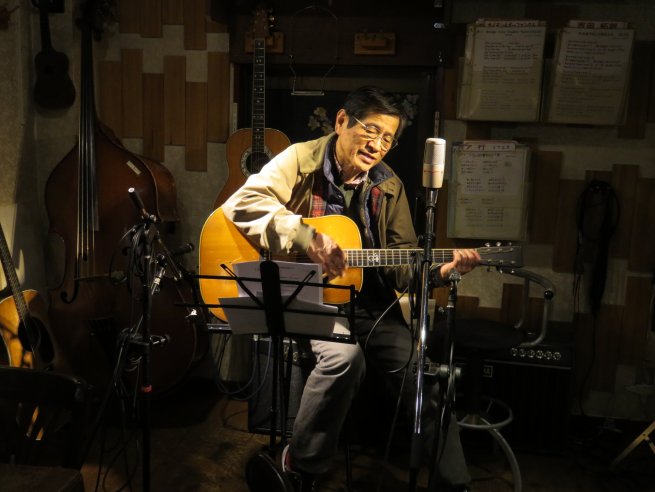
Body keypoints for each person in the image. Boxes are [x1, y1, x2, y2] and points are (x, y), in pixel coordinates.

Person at [222, 86, 480, 491]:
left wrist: (439, 272)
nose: (377, 145)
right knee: (344, 359)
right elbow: (243, 203)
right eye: (371, 130)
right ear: (342, 121)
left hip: (371, 306)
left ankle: (454, 484)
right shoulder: (299, 160)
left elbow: (402, 265)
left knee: (422, 378)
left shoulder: (388, 185)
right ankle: (302, 464)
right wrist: (306, 238)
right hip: (309, 297)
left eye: (388, 139)